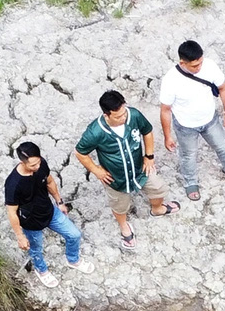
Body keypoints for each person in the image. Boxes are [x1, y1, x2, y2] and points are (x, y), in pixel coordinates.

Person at [73, 90, 176, 252]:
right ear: (106, 115)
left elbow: (147, 131)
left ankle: (157, 209)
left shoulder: (133, 115)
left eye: (124, 113)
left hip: (139, 168)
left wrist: (149, 156)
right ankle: (124, 226)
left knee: (157, 188)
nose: (123, 118)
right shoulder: (95, 132)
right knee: (120, 205)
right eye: (118, 116)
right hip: (116, 177)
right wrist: (96, 170)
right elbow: (80, 152)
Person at [157, 39, 225, 201]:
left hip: (210, 119)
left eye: (200, 63)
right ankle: (190, 182)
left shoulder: (210, 66)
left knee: (224, 146)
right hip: (186, 126)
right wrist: (167, 135)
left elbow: (223, 88)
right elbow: (165, 110)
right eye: (194, 66)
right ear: (182, 63)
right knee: (188, 155)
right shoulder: (171, 80)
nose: (199, 68)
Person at [3, 142, 86, 289]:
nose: (37, 167)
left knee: (74, 235)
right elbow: (11, 211)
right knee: (36, 249)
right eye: (32, 165)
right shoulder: (13, 184)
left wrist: (59, 202)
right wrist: (20, 236)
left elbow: (50, 181)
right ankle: (41, 270)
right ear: (22, 162)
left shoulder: (41, 165)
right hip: (30, 221)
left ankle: (72, 259)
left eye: (38, 162)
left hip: (49, 211)